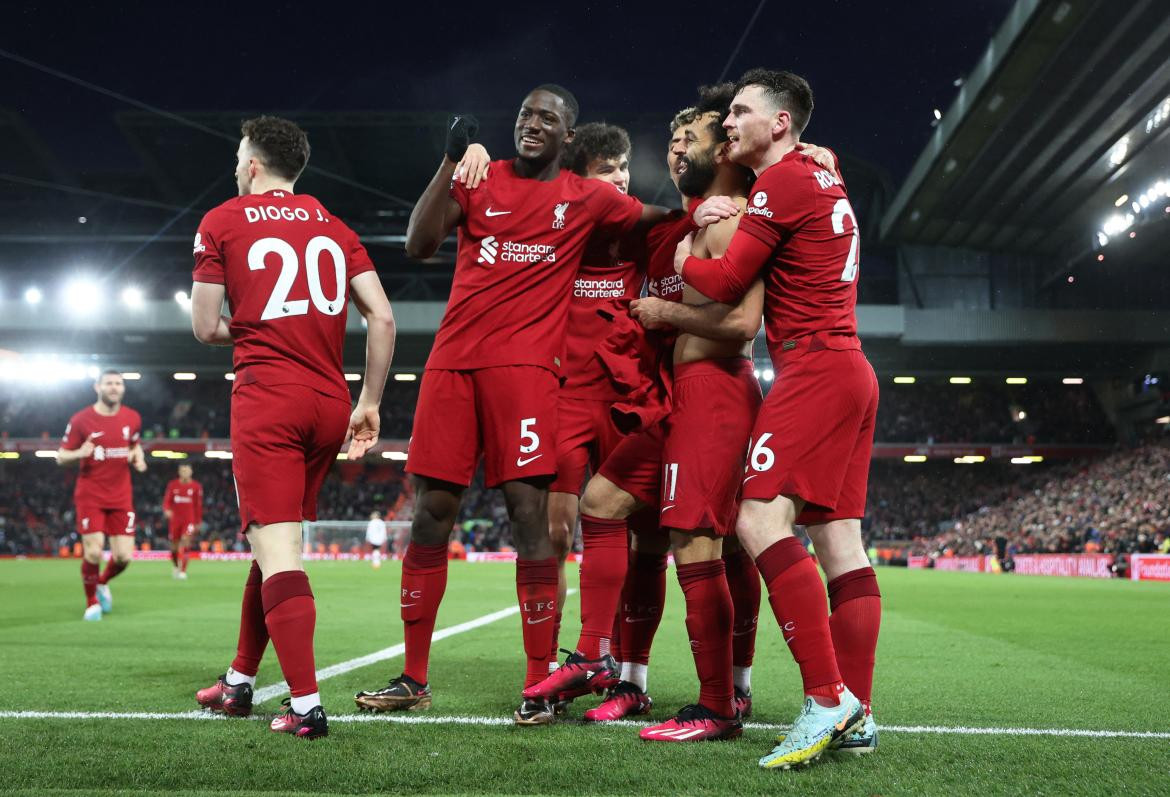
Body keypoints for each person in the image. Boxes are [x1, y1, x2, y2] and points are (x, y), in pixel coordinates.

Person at [352, 84, 690, 727]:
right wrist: (452, 159)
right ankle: (414, 677)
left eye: (549, 119)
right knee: (432, 514)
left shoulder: (587, 196)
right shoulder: (480, 176)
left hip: (529, 375)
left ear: (569, 135)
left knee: (530, 520)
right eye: (525, 115)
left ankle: (539, 683)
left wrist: (716, 201)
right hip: (452, 366)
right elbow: (419, 243)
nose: (533, 125)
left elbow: (659, 218)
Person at [524, 85, 769, 742]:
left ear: (722, 148)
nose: (673, 149)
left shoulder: (732, 217)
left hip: (716, 395)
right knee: (606, 506)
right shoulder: (669, 229)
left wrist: (665, 313)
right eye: (672, 140)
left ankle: (725, 697)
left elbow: (743, 324)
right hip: (669, 403)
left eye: (685, 139)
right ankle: (615, 667)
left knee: (716, 546)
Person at [676, 68, 880, 768]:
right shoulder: (820, 175)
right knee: (841, 543)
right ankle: (858, 708)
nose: (728, 122)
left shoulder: (784, 181)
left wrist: (682, 254)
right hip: (851, 367)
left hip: (815, 366)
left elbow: (728, 280)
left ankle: (826, 698)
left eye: (740, 112)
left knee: (758, 520)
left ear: (781, 123)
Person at [190, 115, 396, 739]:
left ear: (252, 163)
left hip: (269, 399)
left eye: (237, 157)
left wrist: (256, 329)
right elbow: (381, 320)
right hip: (330, 401)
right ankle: (239, 681)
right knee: (273, 544)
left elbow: (204, 327)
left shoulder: (221, 220)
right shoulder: (335, 227)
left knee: (279, 553)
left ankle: (305, 705)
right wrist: (370, 402)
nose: (235, 167)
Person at [57, 369, 147, 621]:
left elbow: (134, 444)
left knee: (123, 557)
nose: (114, 387)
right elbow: (61, 456)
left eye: (118, 383)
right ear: (97, 387)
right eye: (108, 383)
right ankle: (91, 602)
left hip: (121, 495)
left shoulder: (133, 418)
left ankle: (101, 582)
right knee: (94, 552)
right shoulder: (81, 420)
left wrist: (138, 457)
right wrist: (79, 453)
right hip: (91, 494)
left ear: (123, 388)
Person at [163, 463, 203, 579]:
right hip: (175, 521)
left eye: (187, 471)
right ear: (179, 472)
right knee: (174, 547)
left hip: (189, 520)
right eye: (183, 471)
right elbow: (167, 501)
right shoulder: (173, 485)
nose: (185, 473)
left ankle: (183, 571)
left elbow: (198, 506)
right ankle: (176, 566)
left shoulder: (196, 486)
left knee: (186, 541)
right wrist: (167, 510)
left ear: (191, 472)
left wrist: (198, 521)